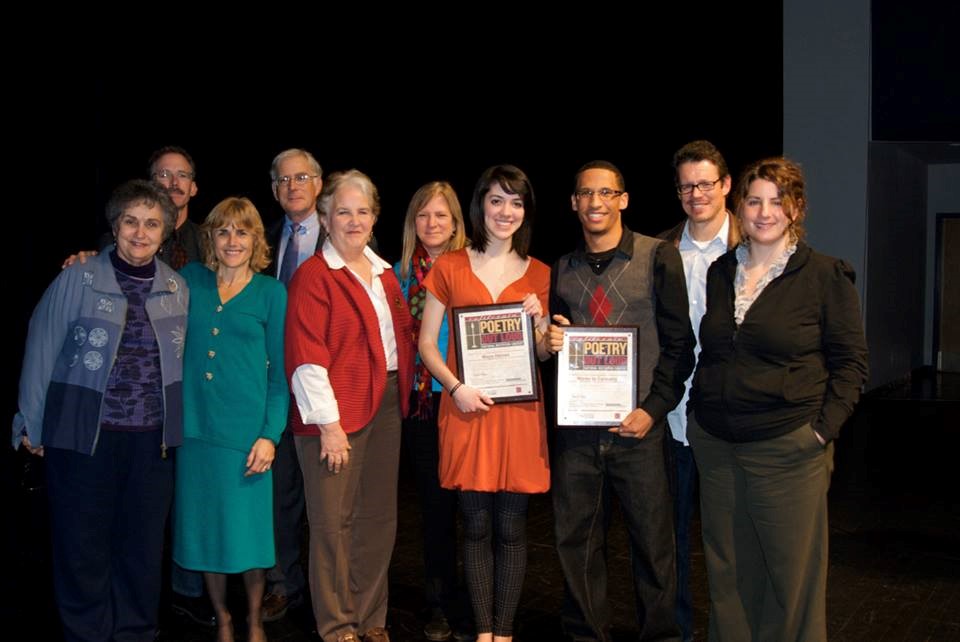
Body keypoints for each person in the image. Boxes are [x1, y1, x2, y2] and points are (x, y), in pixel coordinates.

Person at [689, 157, 869, 641]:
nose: (764, 212)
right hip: (718, 447)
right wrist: (697, 417)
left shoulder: (826, 276)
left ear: (796, 208)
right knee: (727, 576)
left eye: (777, 201)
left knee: (790, 580)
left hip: (787, 450)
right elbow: (713, 351)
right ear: (740, 207)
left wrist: (819, 431)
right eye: (754, 200)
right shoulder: (722, 272)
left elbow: (852, 365)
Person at [14, 179, 189, 641]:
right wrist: (31, 423)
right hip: (82, 436)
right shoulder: (79, 277)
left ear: (165, 232)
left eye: (152, 224)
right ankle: (86, 632)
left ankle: (135, 631)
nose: (140, 232)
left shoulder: (177, 286)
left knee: (141, 549)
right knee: (81, 547)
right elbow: (41, 345)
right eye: (131, 221)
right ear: (115, 226)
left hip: (152, 444)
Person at [545, 160, 695, 642]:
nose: (595, 202)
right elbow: (559, 343)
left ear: (623, 200)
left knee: (654, 546)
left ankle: (661, 636)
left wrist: (652, 410)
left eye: (607, 193)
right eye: (586, 194)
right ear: (573, 203)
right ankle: (587, 634)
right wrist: (551, 341)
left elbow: (679, 345)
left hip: (640, 431)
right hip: (578, 432)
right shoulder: (561, 269)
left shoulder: (658, 257)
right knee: (577, 544)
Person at [419, 165, 552, 642]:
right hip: (466, 408)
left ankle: (505, 631)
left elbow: (539, 355)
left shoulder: (540, 273)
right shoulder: (450, 266)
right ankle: (482, 632)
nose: (506, 211)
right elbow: (427, 345)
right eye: (497, 200)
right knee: (474, 526)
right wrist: (456, 388)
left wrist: (540, 327)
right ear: (480, 206)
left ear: (526, 212)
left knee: (512, 528)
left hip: (517, 415)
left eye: (516, 202)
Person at [285, 169, 415, 642]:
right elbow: (305, 357)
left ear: (375, 216)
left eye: (363, 211)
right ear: (325, 217)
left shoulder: (383, 273)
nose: (354, 220)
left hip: (383, 406)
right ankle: (338, 625)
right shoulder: (314, 277)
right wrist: (329, 426)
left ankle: (371, 618)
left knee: (378, 518)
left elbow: (401, 342)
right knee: (332, 523)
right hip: (334, 413)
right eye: (343, 211)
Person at [173, 197, 289, 642]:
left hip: (246, 440)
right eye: (223, 231)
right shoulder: (189, 281)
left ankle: (255, 620)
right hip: (196, 433)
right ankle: (222, 619)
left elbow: (279, 376)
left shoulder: (271, 293)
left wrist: (269, 436)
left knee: (250, 537)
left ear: (256, 240)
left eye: (242, 232)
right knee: (206, 534)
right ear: (211, 238)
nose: (232, 241)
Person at [657, 140, 739, 642]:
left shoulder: (756, 243)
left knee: (730, 542)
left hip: (731, 420)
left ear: (726, 185)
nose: (696, 194)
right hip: (671, 417)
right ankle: (679, 633)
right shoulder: (659, 249)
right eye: (687, 185)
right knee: (669, 541)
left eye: (705, 183)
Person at [393, 181, 470, 641]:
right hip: (422, 405)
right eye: (423, 216)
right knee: (435, 509)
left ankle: (474, 600)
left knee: (473, 510)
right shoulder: (399, 274)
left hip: (464, 399)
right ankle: (440, 601)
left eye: (441, 215)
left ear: (457, 223)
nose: (432, 224)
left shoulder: (472, 268)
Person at [261, 148, 326, 622]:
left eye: (301, 177)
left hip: (328, 387)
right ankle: (285, 585)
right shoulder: (261, 241)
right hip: (277, 385)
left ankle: (331, 593)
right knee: (280, 494)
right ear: (274, 189)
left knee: (327, 499)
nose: (292, 186)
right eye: (283, 180)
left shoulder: (346, 234)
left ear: (319, 184)